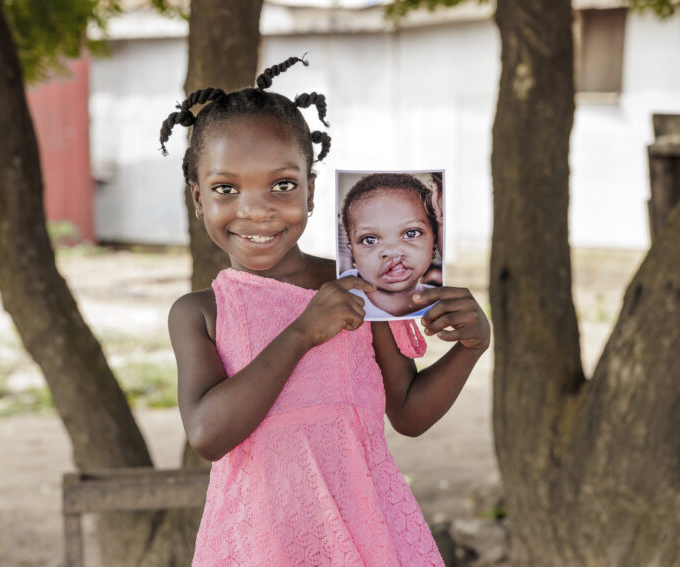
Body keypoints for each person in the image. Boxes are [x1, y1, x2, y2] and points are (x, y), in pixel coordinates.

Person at [160, 56, 490, 566]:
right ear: (199, 198)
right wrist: (302, 333)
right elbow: (207, 433)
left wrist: (472, 347)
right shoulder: (200, 314)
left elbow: (407, 411)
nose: (256, 209)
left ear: (312, 191)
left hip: (368, 539)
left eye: (283, 185)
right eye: (227, 189)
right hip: (260, 546)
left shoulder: (359, 289)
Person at [339, 173, 442, 319]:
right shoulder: (343, 298)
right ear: (353, 253)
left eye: (411, 233)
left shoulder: (441, 304)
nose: (392, 252)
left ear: (433, 244)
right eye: (370, 240)